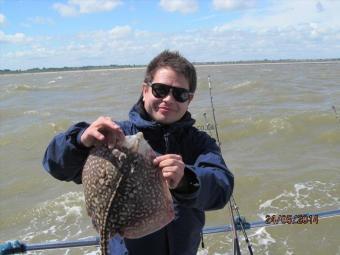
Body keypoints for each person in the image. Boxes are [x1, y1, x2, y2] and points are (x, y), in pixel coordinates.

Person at [43, 50, 234, 255]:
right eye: (160, 90)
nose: (168, 99)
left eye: (179, 94)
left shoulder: (200, 143)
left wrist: (187, 180)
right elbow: (55, 165)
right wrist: (80, 141)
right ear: (145, 90)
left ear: (190, 99)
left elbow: (221, 188)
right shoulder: (114, 135)